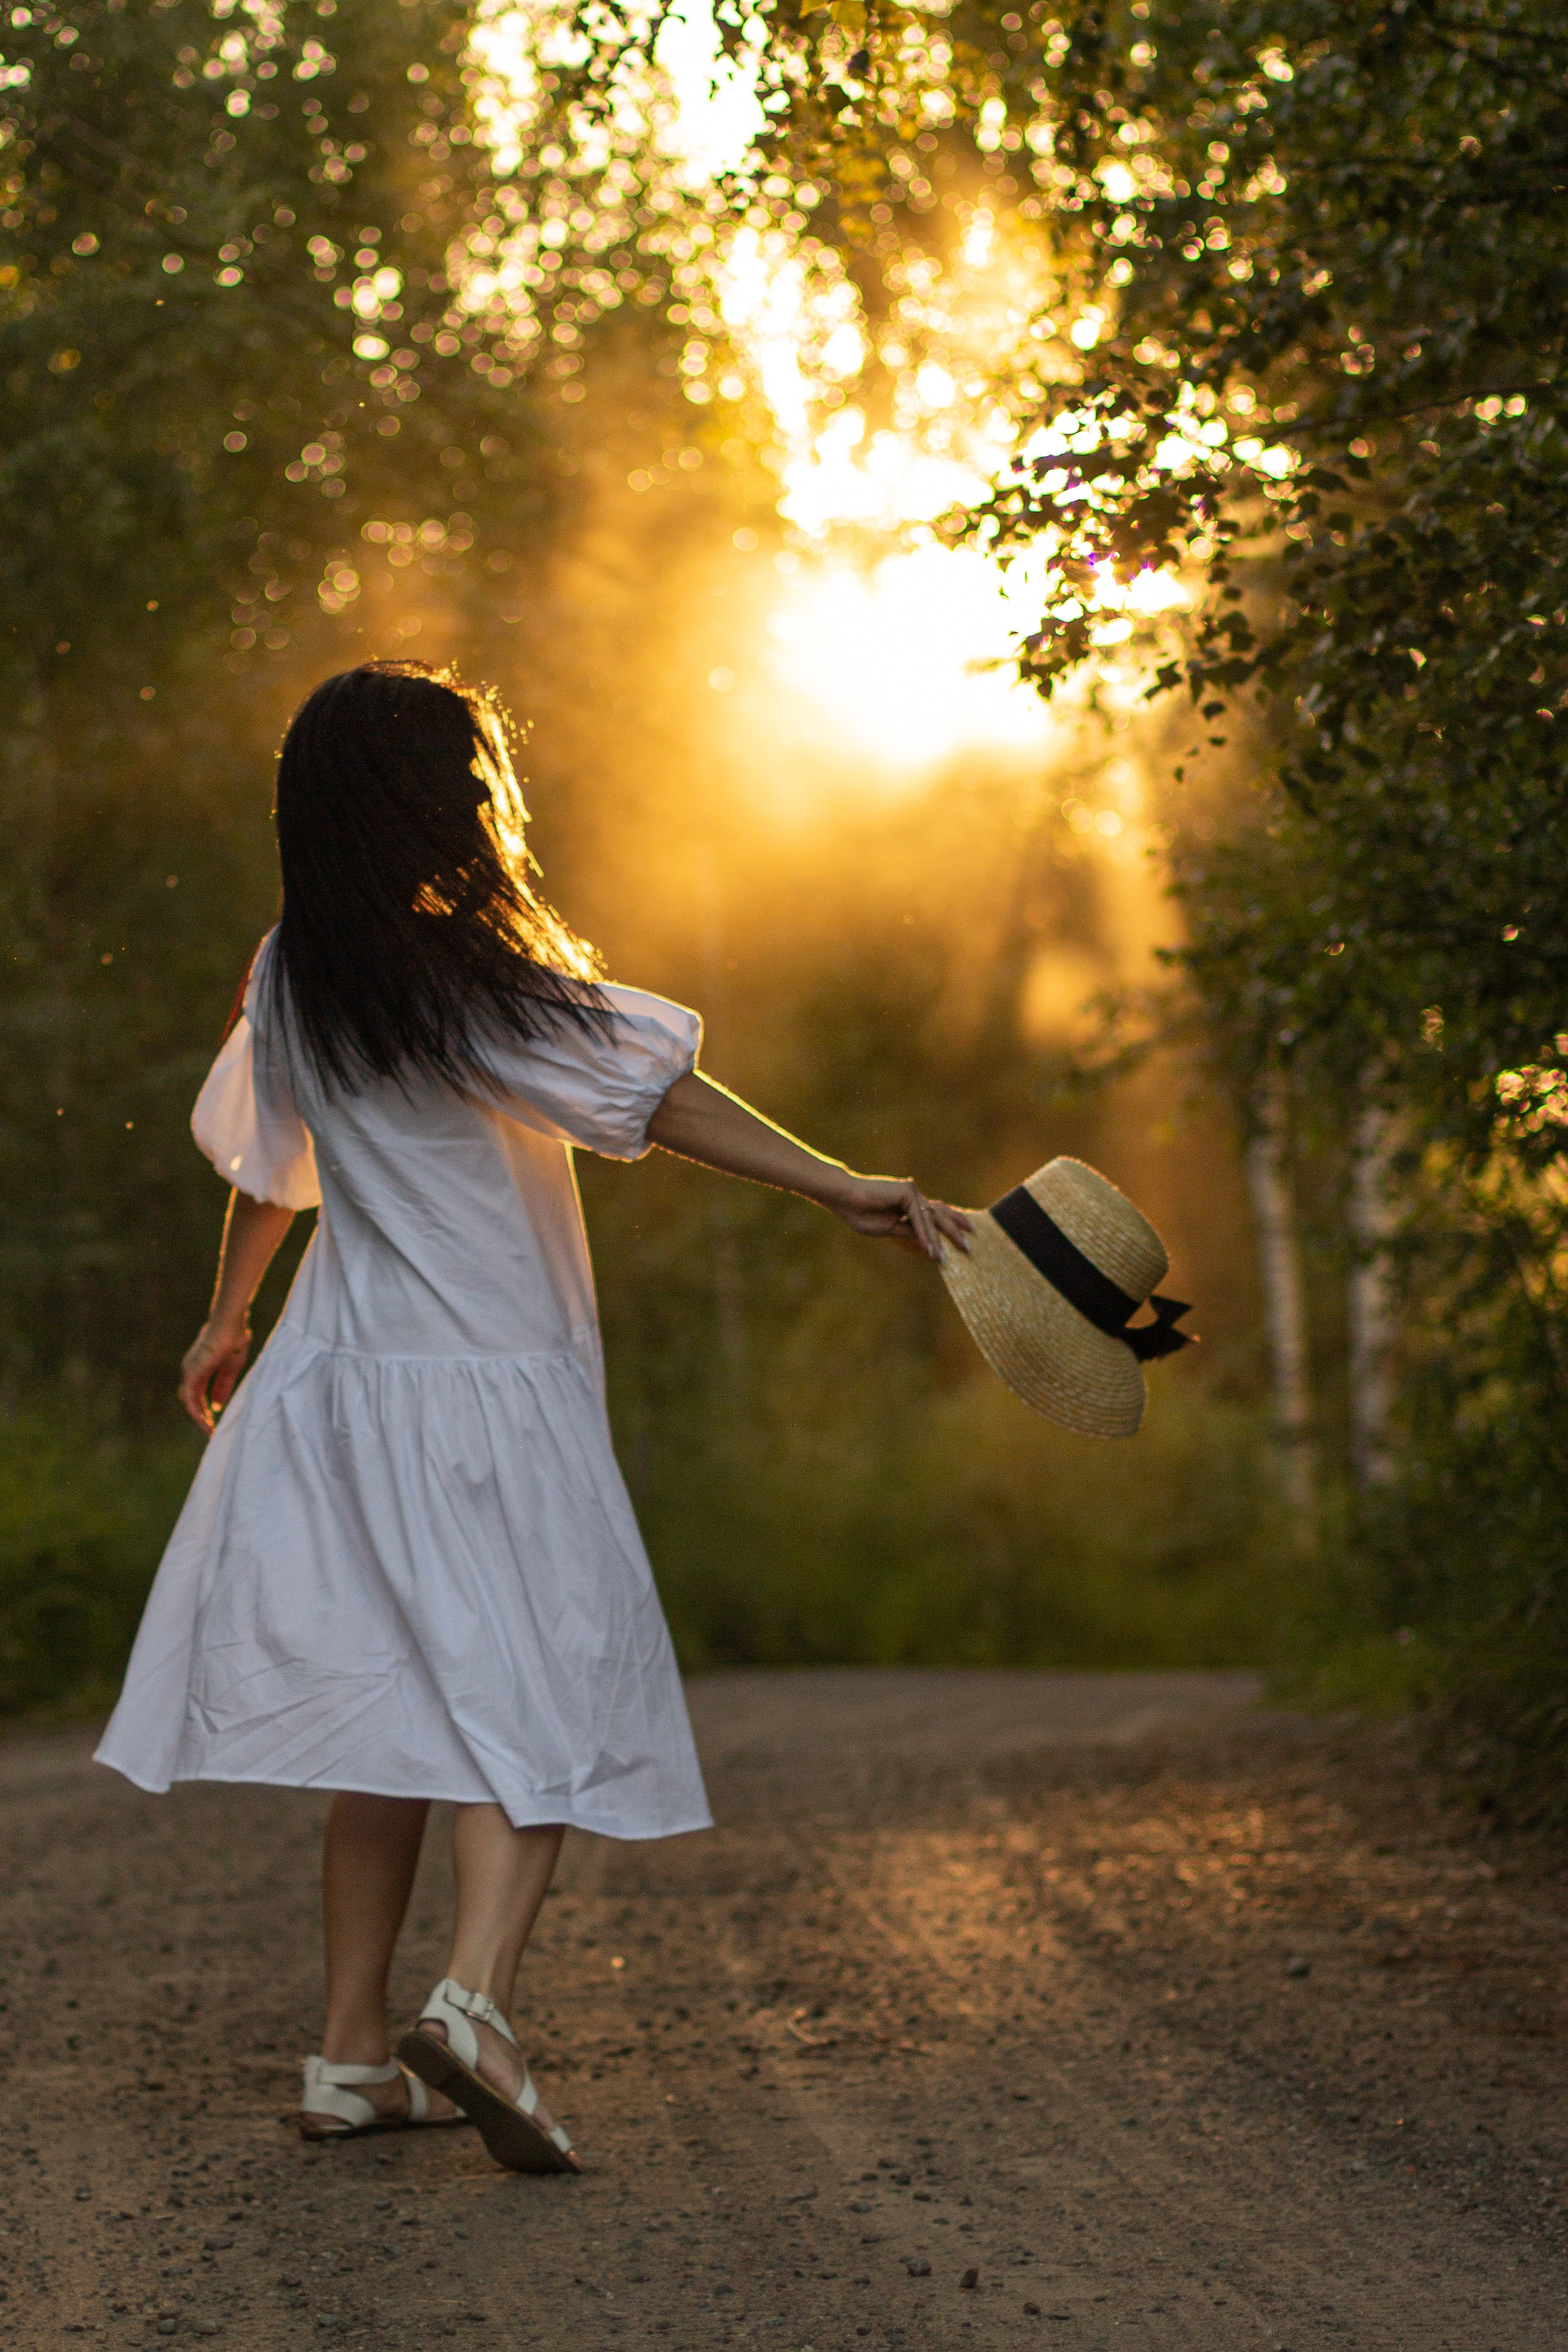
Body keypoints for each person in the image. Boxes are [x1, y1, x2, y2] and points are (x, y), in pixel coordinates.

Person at [96, 660, 970, 2174]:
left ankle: (351, 2057)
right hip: (485, 1390)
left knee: (384, 1715)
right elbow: (656, 1100)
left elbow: (268, 1163)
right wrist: (842, 1184)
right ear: (446, 800)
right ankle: (478, 2007)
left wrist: (226, 1316)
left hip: (333, 1388)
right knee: (541, 1693)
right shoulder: (467, 973)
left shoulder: (298, 966)